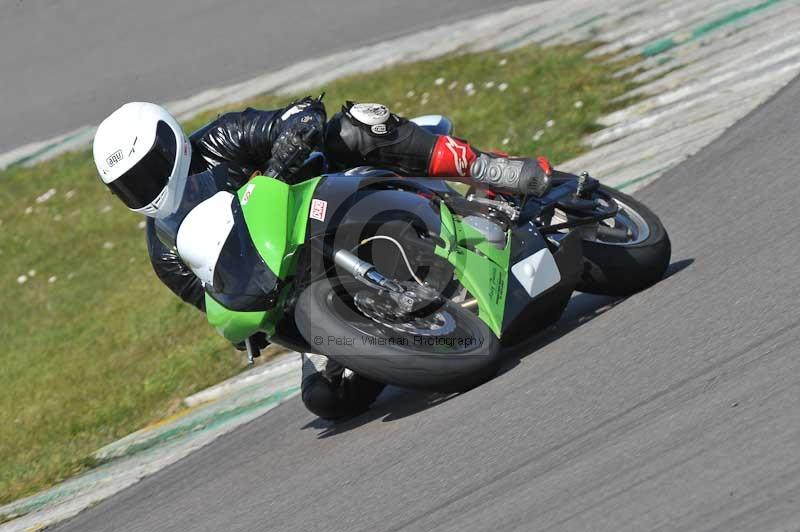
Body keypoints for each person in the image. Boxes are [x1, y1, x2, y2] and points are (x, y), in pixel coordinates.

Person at [92, 97, 553, 420]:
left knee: (354, 126)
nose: (146, 188)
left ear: (171, 144)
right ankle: (402, 331)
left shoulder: (221, 139)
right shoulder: (165, 252)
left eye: (149, 171)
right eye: (130, 186)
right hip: (298, 281)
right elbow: (217, 297)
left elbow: (302, 113)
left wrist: (288, 145)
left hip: (340, 197)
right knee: (328, 401)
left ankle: (488, 168)